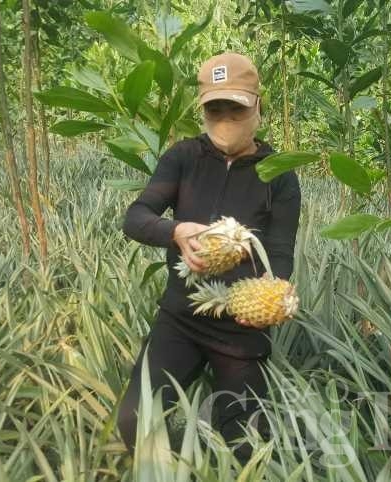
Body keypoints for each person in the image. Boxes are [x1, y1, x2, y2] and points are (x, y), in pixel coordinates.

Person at [116, 52, 301, 463]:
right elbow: (136, 218)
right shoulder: (184, 157)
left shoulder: (280, 173)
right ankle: (180, 468)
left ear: (258, 106)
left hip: (240, 328)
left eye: (235, 107)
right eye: (214, 108)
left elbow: (281, 253)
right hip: (180, 318)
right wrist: (176, 231)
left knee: (246, 445)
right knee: (134, 421)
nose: (224, 118)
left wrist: (273, 298)